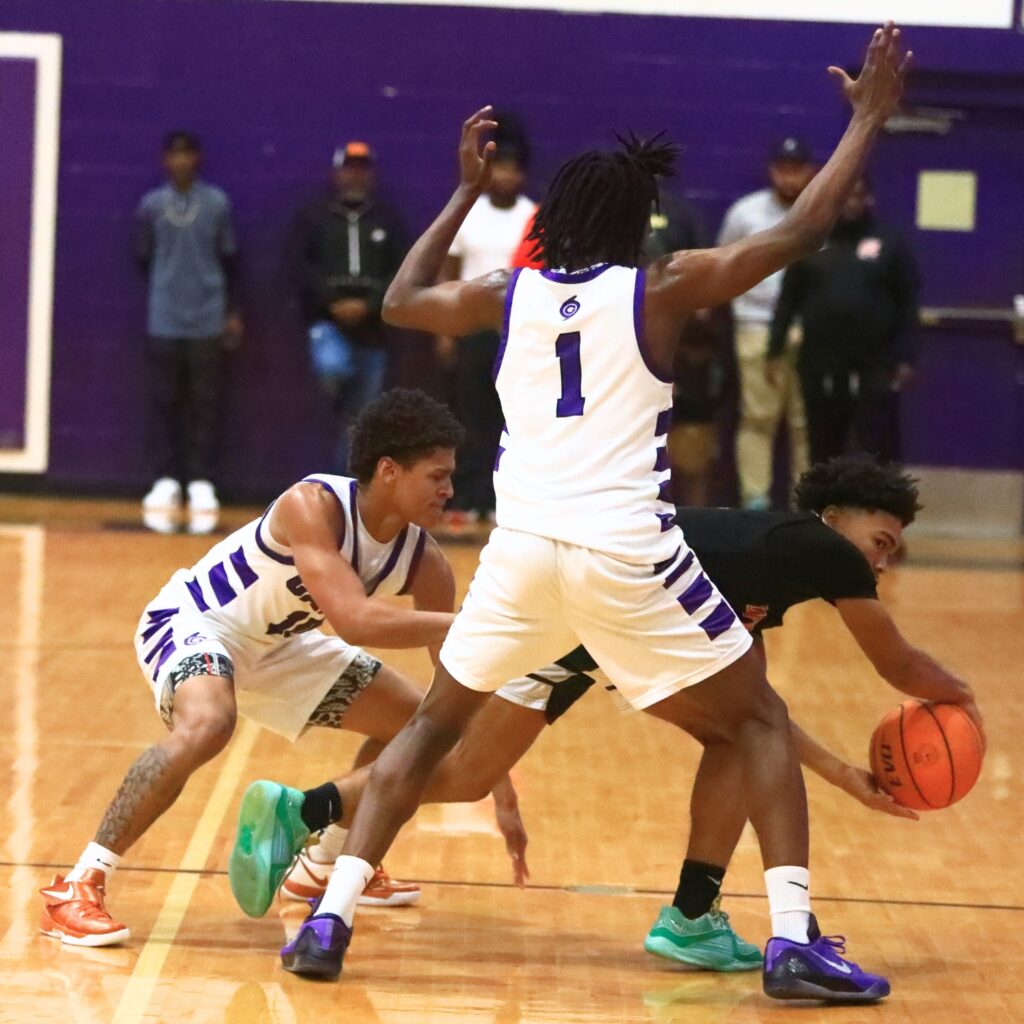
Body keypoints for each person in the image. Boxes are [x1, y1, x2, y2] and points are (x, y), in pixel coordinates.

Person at [231, 25, 910, 1001]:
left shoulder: (509, 293)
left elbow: (399, 299)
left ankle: (329, 916)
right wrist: (868, 121)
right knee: (757, 719)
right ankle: (792, 939)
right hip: (624, 552)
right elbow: (799, 231)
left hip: (519, 555)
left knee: (428, 731)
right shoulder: (662, 288)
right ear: (638, 221)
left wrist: (463, 191)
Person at [274, 456, 983, 972]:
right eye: (879, 542)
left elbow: (766, 722)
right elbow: (896, 664)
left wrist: (843, 775)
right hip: (611, 599)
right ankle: (694, 914)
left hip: (568, 603)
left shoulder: (763, 572)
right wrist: (962, 697)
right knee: (737, 734)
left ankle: (302, 810)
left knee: (462, 772)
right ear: (835, 522)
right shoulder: (818, 548)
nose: (880, 563)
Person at [38, 389, 526, 945]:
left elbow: (452, 697)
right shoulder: (312, 505)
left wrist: (497, 783)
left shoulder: (423, 560)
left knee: (413, 726)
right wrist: (464, 623)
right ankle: (78, 884)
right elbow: (354, 621)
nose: (448, 490)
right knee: (208, 724)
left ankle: (324, 865)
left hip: (281, 646)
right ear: (389, 470)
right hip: (198, 620)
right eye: (436, 476)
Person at [768, 176, 920, 465]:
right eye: (844, 197)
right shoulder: (810, 241)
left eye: (857, 195)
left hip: (875, 360)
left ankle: (874, 505)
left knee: (875, 437)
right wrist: (774, 348)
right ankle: (824, 505)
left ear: (868, 199)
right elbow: (788, 300)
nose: (851, 203)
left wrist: (906, 356)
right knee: (823, 440)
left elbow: (908, 301)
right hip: (820, 360)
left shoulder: (890, 242)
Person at [138, 131, 242, 533]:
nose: (181, 161)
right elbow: (143, 256)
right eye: (174, 155)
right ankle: (166, 479)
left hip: (207, 318)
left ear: (196, 159)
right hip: (164, 317)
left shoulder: (216, 204)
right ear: (166, 160)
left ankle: (200, 480)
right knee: (165, 400)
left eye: (187, 154)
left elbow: (229, 258)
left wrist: (230, 311)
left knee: (205, 402)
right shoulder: (151, 205)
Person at [291, 141, 409, 474]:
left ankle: (345, 480)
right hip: (328, 321)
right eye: (349, 168)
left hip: (373, 329)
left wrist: (368, 304)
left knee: (361, 415)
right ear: (336, 173)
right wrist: (332, 302)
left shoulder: (386, 220)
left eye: (362, 169)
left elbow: (402, 269)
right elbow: (300, 266)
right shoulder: (315, 217)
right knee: (332, 367)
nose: (355, 176)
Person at [439, 121, 536, 525]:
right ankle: (466, 497)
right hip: (472, 330)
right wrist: (446, 330)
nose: (506, 176)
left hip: (519, 330)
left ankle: (504, 500)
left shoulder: (533, 216)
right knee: (470, 414)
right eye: (500, 168)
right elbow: (449, 271)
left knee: (512, 415)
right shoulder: (470, 214)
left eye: (513, 169)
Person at [718, 137, 816, 511]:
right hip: (755, 324)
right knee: (758, 418)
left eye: (797, 168)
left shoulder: (819, 210)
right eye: (782, 168)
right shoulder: (746, 213)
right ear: (772, 170)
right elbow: (721, 264)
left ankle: (806, 504)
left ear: (809, 172)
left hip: (808, 328)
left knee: (804, 422)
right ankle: (754, 501)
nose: (789, 177)